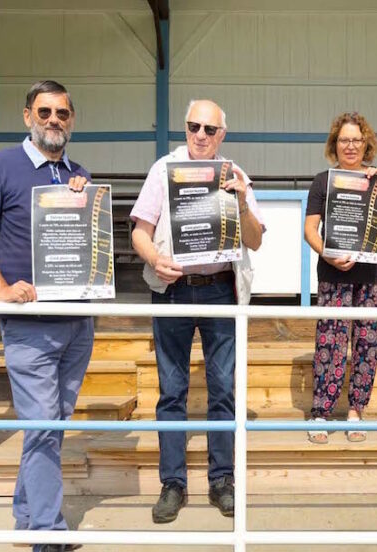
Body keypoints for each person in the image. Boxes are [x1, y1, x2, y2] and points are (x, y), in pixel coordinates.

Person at [0, 80, 92, 552]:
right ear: (26, 117)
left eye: (62, 113)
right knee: (43, 427)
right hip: (30, 329)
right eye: (44, 113)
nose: (53, 120)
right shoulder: (1, 166)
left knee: (50, 427)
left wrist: (86, 195)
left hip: (77, 324)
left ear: (71, 120)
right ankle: (48, 535)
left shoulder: (78, 172)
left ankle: (27, 517)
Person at [131, 99, 265, 521]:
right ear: (185, 129)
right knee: (172, 391)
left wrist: (241, 201)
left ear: (222, 135)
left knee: (223, 389)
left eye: (210, 129)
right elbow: (140, 232)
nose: (201, 135)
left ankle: (221, 480)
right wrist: (155, 260)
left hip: (220, 290)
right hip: (172, 290)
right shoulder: (162, 170)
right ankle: (173, 483)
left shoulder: (234, 174)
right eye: (193, 127)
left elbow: (256, 240)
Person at [304, 112, 377, 444]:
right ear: (335, 144)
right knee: (330, 342)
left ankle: (356, 410)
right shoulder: (322, 180)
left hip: (371, 274)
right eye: (343, 140)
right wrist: (327, 252)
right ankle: (321, 411)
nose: (350, 146)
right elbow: (309, 230)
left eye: (356, 140)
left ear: (366, 143)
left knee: (366, 343)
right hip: (333, 272)